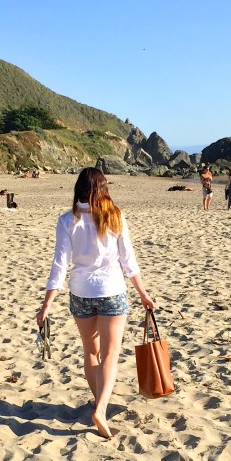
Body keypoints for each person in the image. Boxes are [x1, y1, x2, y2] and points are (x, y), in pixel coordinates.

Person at [36, 166, 155, 439]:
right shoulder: (115, 216)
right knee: (111, 353)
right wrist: (143, 293)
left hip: (80, 292)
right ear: (103, 189)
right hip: (112, 290)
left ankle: (97, 400)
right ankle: (101, 407)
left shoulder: (68, 220)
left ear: (78, 189)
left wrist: (46, 306)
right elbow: (129, 261)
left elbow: (60, 265)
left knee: (91, 352)